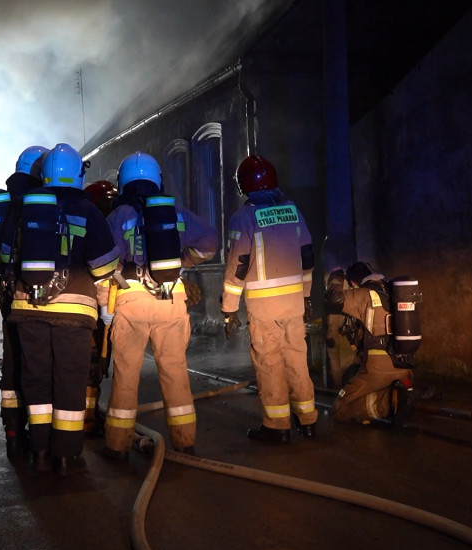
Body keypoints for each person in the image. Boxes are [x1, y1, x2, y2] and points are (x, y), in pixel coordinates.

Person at [4, 143, 120, 476]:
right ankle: (66, 457)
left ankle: (39, 452)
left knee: (36, 379)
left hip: (27, 307)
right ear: (77, 175)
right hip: (75, 312)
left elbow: (6, 255)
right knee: (69, 381)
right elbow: (104, 268)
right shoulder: (89, 212)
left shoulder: (25, 208)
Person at [99, 152, 218, 460]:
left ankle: (117, 446)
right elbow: (210, 243)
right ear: (157, 179)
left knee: (126, 376)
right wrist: (185, 261)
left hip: (130, 299)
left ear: (123, 182)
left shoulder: (117, 217)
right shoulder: (175, 212)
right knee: (176, 373)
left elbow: (103, 266)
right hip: (171, 298)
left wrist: (104, 309)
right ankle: (185, 442)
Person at [221, 154, 318, 443]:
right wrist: (306, 295)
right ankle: (309, 420)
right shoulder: (293, 211)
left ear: (244, 186)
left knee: (270, 364)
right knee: (297, 360)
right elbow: (308, 256)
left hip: (264, 307)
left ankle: (278, 427)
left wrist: (228, 309)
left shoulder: (244, 217)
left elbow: (238, 266)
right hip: (293, 303)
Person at [0, 144, 47, 459]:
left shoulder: (6, 202)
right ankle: (40, 439)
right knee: (36, 364)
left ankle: (12, 432)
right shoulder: (34, 203)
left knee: (12, 361)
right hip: (31, 294)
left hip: (6, 292)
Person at [325, 261, 416, 427]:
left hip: (378, 369)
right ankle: (400, 392)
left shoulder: (364, 294)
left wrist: (336, 276)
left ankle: (388, 402)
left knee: (339, 410)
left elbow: (335, 297)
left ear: (353, 283)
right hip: (405, 368)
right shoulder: (394, 292)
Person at [81, 179, 119, 436]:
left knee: (98, 363)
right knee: (92, 363)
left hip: (101, 309)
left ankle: (89, 414)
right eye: (106, 203)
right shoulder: (95, 229)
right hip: (93, 309)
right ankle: (87, 418)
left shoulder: (97, 226)